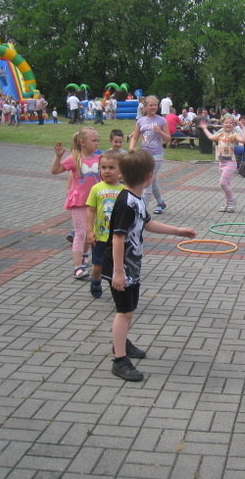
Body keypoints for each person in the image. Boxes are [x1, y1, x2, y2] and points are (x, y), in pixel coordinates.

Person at [102, 149, 196, 381]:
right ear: (149, 176)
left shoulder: (136, 199)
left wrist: (178, 231)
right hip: (121, 268)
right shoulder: (126, 203)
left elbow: (147, 223)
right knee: (124, 312)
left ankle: (122, 343)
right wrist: (118, 272)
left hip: (130, 266)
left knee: (129, 309)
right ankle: (119, 360)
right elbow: (117, 238)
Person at [51, 127, 101, 279]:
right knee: (80, 233)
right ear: (82, 142)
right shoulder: (74, 158)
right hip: (79, 202)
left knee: (91, 232)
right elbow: (55, 170)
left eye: (98, 140)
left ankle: (85, 255)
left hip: (95, 201)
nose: (97, 143)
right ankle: (77, 267)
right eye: (93, 140)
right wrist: (58, 156)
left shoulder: (100, 158)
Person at [85, 150, 124, 299]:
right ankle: (95, 280)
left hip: (117, 237)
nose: (107, 171)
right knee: (98, 265)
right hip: (100, 236)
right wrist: (89, 231)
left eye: (111, 167)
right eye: (103, 167)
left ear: (121, 170)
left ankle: (117, 288)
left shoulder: (124, 190)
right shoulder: (96, 188)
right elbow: (90, 210)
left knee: (116, 265)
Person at [129, 95, 170, 215]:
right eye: (151, 105)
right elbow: (135, 137)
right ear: (145, 107)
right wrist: (131, 149)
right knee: (152, 179)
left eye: (155, 105)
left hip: (157, 154)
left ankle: (143, 209)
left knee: (147, 178)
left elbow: (168, 139)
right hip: (145, 154)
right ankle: (161, 202)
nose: (153, 107)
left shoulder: (162, 120)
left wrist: (160, 131)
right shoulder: (141, 121)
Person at [199, 115, 245, 212]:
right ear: (222, 124)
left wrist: (243, 128)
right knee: (227, 184)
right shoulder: (221, 134)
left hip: (230, 162)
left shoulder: (234, 135)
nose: (228, 124)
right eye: (226, 122)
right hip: (222, 163)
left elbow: (244, 140)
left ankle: (232, 199)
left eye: (230, 123)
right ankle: (228, 205)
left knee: (223, 183)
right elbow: (211, 137)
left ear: (233, 125)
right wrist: (204, 128)